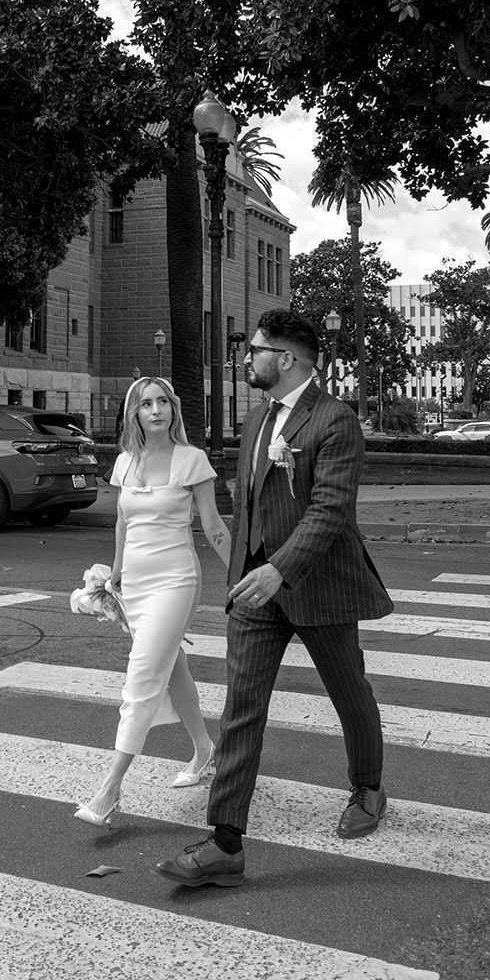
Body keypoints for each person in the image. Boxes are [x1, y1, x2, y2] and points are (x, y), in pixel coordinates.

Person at [155, 308, 394, 888]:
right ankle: (225, 844)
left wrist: (279, 570)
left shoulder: (335, 421)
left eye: (255, 350)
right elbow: (249, 504)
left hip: (318, 585)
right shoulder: (258, 417)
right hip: (255, 592)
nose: (246, 357)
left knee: (349, 692)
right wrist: (244, 574)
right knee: (241, 708)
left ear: (285, 359)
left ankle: (368, 787)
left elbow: (330, 511)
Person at [73, 376, 232, 828]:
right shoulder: (125, 462)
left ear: (173, 409)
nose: (157, 410)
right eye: (147, 404)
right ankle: (204, 748)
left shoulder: (192, 459)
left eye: (163, 401)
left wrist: (244, 576)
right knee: (173, 667)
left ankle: (109, 790)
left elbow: (213, 526)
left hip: (176, 581)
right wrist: (115, 574)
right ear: (135, 414)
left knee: (142, 675)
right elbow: (123, 522)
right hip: (137, 585)